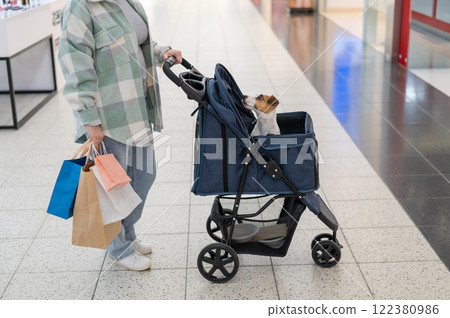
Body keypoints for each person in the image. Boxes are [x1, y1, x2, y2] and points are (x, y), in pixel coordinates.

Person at [58, 0, 182, 271]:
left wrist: (161, 51)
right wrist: (89, 118)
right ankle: (118, 247)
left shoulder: (127, 1)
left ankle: (127, 234)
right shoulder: (80, 7)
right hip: (108, 116)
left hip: (136, 107)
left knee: (145, 174)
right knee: (114, 187)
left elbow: (136, 40)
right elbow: (75, 65)